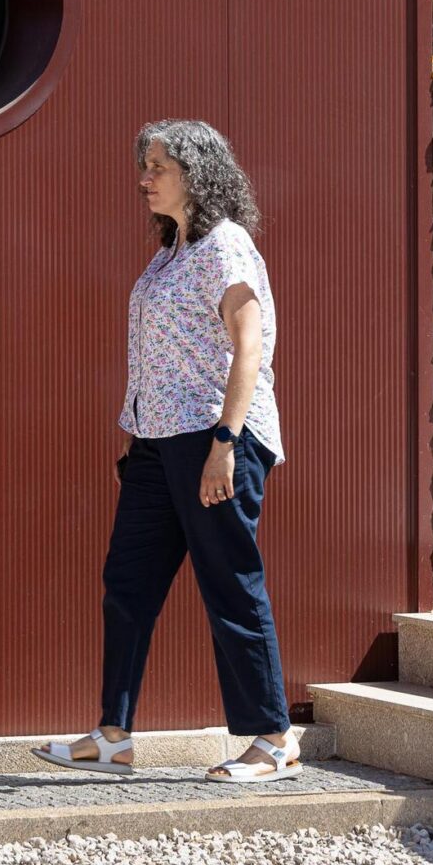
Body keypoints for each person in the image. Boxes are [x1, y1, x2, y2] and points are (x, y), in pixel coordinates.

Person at [34, 118, 299, 783]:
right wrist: (134, 433)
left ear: (197, 174)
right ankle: (113, 735)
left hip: (212, 438)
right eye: (145, 166)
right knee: (128, 584)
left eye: (157, 166)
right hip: (156, 444)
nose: (143, 178)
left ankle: (272, 739)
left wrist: (226, 442)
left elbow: (251, 348)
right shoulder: (171, 251)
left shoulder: (225, 247)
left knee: (229, 584)